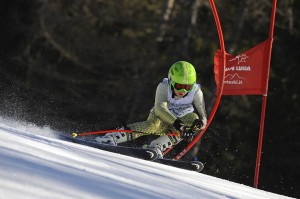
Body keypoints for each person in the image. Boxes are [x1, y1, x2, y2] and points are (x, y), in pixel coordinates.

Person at [95, 61, 207, 158]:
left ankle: (157, 146)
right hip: (161, 117)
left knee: (194, 118)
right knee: (152, 125)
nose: (183, 90)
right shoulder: (163, 87)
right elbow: (160, 109)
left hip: (181, 121)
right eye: (178, 86)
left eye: (188, 87)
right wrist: (178, 124)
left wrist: (198, 126)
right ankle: (112, 137)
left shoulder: (196, 92)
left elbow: (204, 117)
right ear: (171, 81)